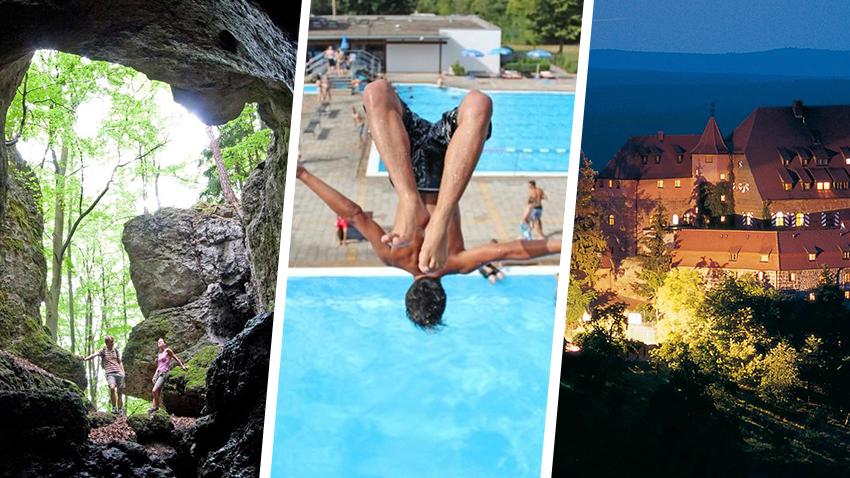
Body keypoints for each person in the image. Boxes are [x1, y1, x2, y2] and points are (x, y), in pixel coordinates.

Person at [296, 80, 560, 329]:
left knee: (478, 103)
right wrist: (304, 175)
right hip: (438, 161)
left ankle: (416, 201)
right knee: (376, 91)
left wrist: (563, 245)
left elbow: (511, 251)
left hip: (410, 163)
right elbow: (354, 214)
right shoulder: (393, 256)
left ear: (443, 294)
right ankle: (427, 208)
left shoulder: (456, 262)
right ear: (408, 294)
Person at [83, 336, 126, 415]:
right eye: (110, 342)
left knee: (120, 392)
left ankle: (120, 409)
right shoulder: (103, 350)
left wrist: (123, 372)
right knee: (112, 388)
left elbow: (120, 362)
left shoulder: (115, 350)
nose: (112, 344)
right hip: (110, 373)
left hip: (119, 373)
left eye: (112, 342)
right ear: (107, 343)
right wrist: (86, 359)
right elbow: (94, 355)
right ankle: (114, 407)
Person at [149, 338, 187, 415]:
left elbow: (175, 358)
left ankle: (156, 407)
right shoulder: (159, 354)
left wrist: (182, 366)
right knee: (157, 393)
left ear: (164, 343)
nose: (159, 343)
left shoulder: (167, 350)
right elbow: (158, 366)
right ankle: (154, 411)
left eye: (160, 342)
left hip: (164, 372)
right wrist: (154, 376)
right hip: (159, 373)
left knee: (154, 390)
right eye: (158, 342)